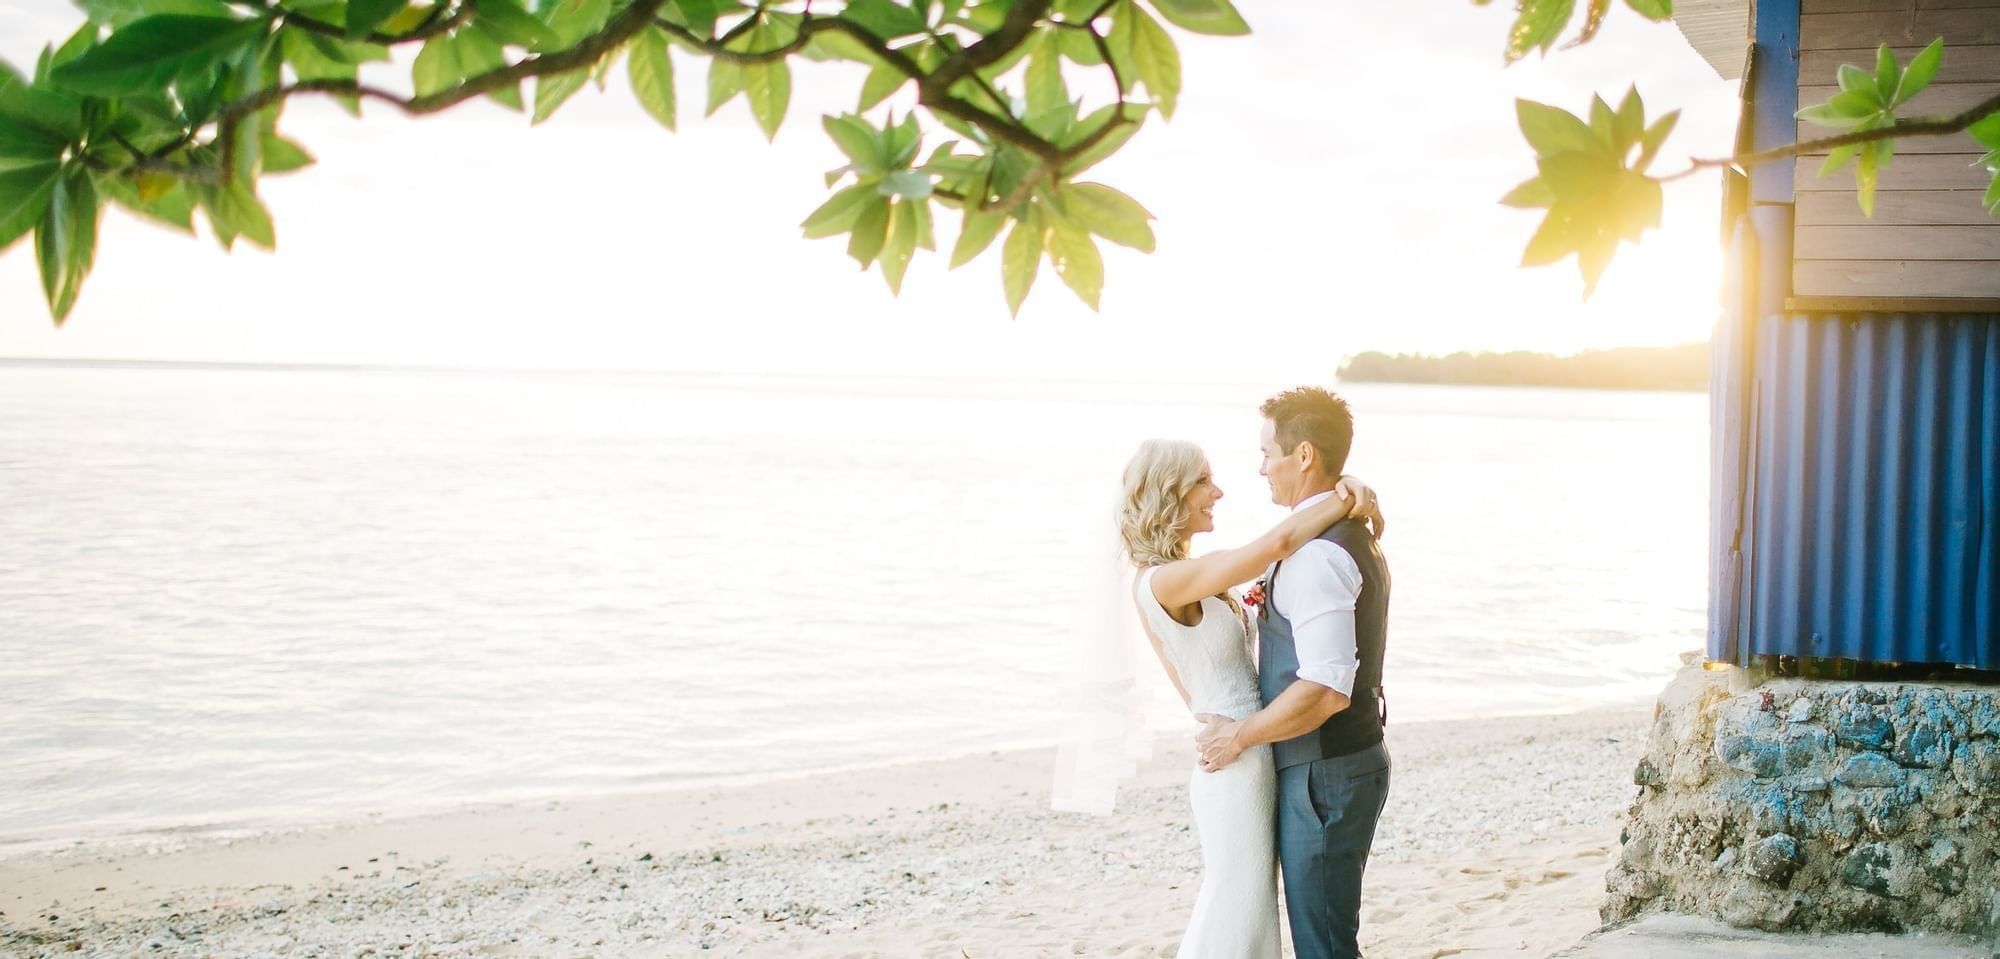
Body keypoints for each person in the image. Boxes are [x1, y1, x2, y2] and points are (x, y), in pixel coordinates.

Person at [1117, 435, 1381, 958]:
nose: (1217, 492)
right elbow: (1277, 546)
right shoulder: (1165, 581)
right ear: (1167, 494)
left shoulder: (1191, 576)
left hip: (1253, 748)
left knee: (1252, 907)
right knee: (1233, 903)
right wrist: (1346, 495)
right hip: (1234, 762)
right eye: (1201, 482)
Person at [1195, 386, 1392, 959]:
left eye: (1266, 453)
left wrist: (1239, 735)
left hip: (1324, 775)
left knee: (1324, 945)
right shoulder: (1342, 532)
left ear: (1302, 455)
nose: (1261, 469)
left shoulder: (1318, 555)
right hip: (1333, 766)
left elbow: (1327, 690)